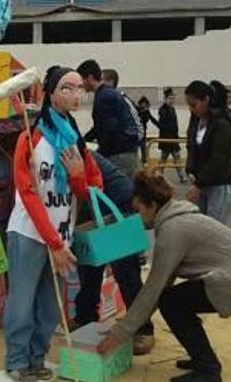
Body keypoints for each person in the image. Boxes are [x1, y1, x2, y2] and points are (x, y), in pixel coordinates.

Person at [100, 172, 231, 382]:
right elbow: (164, 282)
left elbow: (153, 288)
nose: (136, 217)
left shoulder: (173, 231)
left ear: (153, 206)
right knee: (174, 300)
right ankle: (201, 357)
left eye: (138, 211)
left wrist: (122, 331)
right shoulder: (177, 216)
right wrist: (132, 325)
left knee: (172, 303)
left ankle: (208, 370)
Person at [4, 66, 103, 382]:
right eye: (66, 88)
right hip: (30, 233)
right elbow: (28, 195)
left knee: (50, 306)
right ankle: (17, 361)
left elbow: (94, 189)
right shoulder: (29, 139)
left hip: (64, 234)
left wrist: (76, 178)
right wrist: (54, 243)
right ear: (50, 93)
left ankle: (37, 358)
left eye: (78, 89)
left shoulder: (76, 141)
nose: (75, 95)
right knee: (22, 301)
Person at [73, 151, 154, 355]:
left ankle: (143, 329)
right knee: (89, 265)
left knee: (125, 272)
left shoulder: (68, 150)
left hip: (116, 205)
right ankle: (85, 318)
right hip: (92, 208)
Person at [77, 60, 142, 179]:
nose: (81, 85)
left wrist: (100, 153)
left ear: (90, 78)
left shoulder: (104, 97)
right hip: (126, 151)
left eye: (82, 80)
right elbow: (99, 127)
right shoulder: (108, 93)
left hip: (119, 155)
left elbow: (108, 128)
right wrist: (84, 140)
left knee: (119, 191)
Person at [184, 81, 231, 224]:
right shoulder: (195, 121)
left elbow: (219, 158)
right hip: (201, 182)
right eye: (188, 105)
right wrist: (190, 169)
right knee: (199, 227)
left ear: (206, 100)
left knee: (214, 230)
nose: (191, 108)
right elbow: (191, 146)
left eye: (194, 104)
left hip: (219, 183)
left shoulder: (222, 123)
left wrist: (199, 184)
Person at [157, 88, 188, 184]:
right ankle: (159, 176)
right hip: (166, 139)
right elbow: (163, 125)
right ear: (165, 99)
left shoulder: (172, 109)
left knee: (177, 160)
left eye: (173, 98)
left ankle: (182, 177)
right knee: (163, 160)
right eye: (170, 98)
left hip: (173, 139)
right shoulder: (162, 110)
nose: (172, 100)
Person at [136, 96, 159, 165]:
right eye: (143, 104)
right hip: (136, 133)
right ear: (140, 104)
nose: (144, 106)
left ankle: (144, 161)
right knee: (135, 149)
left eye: (146, 104)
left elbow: (152, 119)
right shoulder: (136, 111)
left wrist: (160, 126)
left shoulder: (146, 112)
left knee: (143, 148)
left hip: (143, 133)